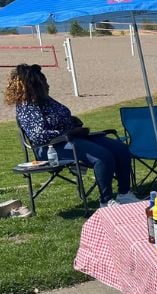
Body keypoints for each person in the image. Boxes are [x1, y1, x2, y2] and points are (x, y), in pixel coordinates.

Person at [5, 64, 138, 206]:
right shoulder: (27, 107)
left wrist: (74, 123)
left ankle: (124, 194)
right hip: (50, 148)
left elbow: (60, 118)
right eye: (44, 82)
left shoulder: (47, 100)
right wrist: (69, 132)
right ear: (34, 85)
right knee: (102, 156)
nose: (47, 84)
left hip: (73, 138)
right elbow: (39, 135)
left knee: (120, 149)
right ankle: (106, 201)